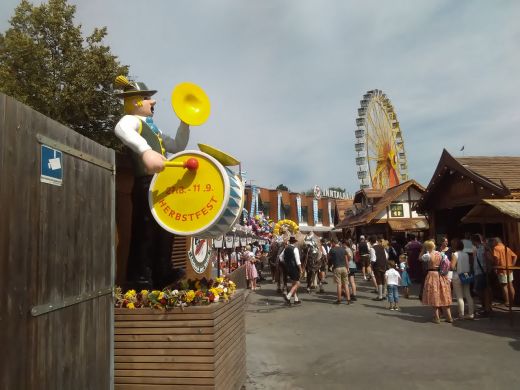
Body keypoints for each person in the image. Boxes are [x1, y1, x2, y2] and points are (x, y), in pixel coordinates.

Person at [114, 75, 189, 290]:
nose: (153, 102)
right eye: (147, 98)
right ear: (136, 101)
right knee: (145, 230)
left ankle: (162, 270)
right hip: (146, 183)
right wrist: (145, 151)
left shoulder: (154, 129)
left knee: (166, 229)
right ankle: (140, 277)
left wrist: (185, 122)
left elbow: (177, 145)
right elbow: (121, 129)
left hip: (160, 185)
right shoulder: (131, 120)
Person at [421, 240, 453, 324]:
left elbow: (420, 258)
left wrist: (423, 249)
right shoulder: (440, 253)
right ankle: (449, 317)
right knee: (444, 295)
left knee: (434, 295)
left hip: (432, 274)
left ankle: (437, 317)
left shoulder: (427, 255)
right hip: (441, 274)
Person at [451, 239, 474, 320]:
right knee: (468, 294)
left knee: (459, 296)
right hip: (466, 275)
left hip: (457, 276)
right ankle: (471, 314)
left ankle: (461, 314)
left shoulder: (455, 254)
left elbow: (452, 266)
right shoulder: (466, 255)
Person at [492, 237, 517, 307]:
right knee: (511, 285)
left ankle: (507, 302)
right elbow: (515, 256)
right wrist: (512, 265)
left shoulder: (496, 248)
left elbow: (497, 258)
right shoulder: (507, 248)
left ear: (495, 241)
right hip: (509, 269)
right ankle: (512, 301)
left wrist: (496, 267)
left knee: (504, 285)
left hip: (502, 269)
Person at [472, 234, 492, 316]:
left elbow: (490, 258)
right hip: (478, 272)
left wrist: (488, 267)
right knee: (481, 290)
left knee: (482, 290)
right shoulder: (478, 248)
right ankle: (486, 306)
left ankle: (487, 308)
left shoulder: (484, 248)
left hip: (482, 272)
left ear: (474, 241)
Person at [281, 236, 303, 305]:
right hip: (294, 268)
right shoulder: (295, 249)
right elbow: (298, 261)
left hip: (288, 268)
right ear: (295, 242)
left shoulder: (286, 248)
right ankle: (288, 296)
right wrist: (301, 269)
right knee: (297, 283)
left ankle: (296, 299)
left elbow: (280, 257)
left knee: (293, 283)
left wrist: (286, 263)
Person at [328, 239, 351, 304]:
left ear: (333, 243)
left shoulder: (332, 250)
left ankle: (339, 299)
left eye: (331, 243)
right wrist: (348, 268)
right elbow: (347, 259)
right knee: (346, 284)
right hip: (344, 267)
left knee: (339, 284)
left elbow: (328, 258)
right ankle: (348, 299)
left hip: (337, 267)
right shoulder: (343, 249)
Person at [371, 235, 388, 301]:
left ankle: (380, 296)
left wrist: (371, 266)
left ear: (370, 242)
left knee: (379, 280)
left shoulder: (372, 248)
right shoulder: (382, 247)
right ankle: (384, 294)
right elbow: (386, 256)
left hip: (377, 265)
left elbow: (373, 259)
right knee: (383, 280)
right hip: (383, 264)